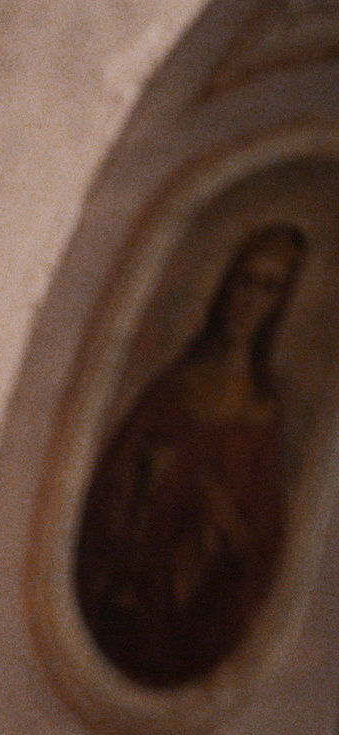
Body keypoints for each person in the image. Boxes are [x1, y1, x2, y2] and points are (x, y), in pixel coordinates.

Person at [72, 224, 308, 691]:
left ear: (279, 304)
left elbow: (265, 542)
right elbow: (106, 494)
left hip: (200, 614)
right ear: (227, 287)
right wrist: (146, 491)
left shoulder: (265, 414)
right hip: (136, 597)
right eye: (245, 281)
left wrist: (226, 525)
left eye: (269, 288)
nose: (251, 300)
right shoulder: (173, 388)